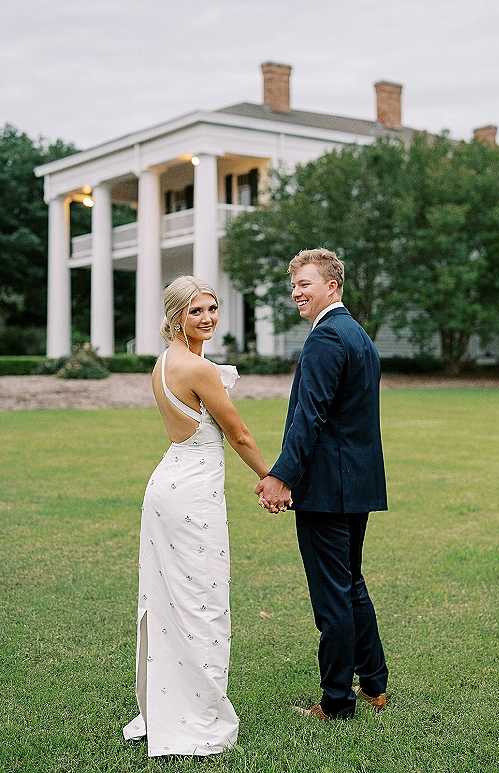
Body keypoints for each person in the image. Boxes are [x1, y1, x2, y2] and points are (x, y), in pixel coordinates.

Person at [123, 276, 271, 757]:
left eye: (212, 308)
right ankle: (194, 716)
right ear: (175, 318)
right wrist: (275, 478)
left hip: (170, 485)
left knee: (174, 603)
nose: (207, 318)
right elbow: (240, 433)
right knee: (201, 603)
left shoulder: (165, 363)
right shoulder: (197, 369)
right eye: (195, 312)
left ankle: (170, 703)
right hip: (191, 498)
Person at [256, 248, 388, 720]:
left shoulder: (327, 338)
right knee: (350, 585)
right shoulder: (357, 335)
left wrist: (281, 476)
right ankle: (374, 685)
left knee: (332, 596)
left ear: (332, 286)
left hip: (328, 489)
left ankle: (337, 702)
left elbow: (307, 419)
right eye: (293, 285)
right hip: (356, 485)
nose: (296, 292)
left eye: (305, 284)